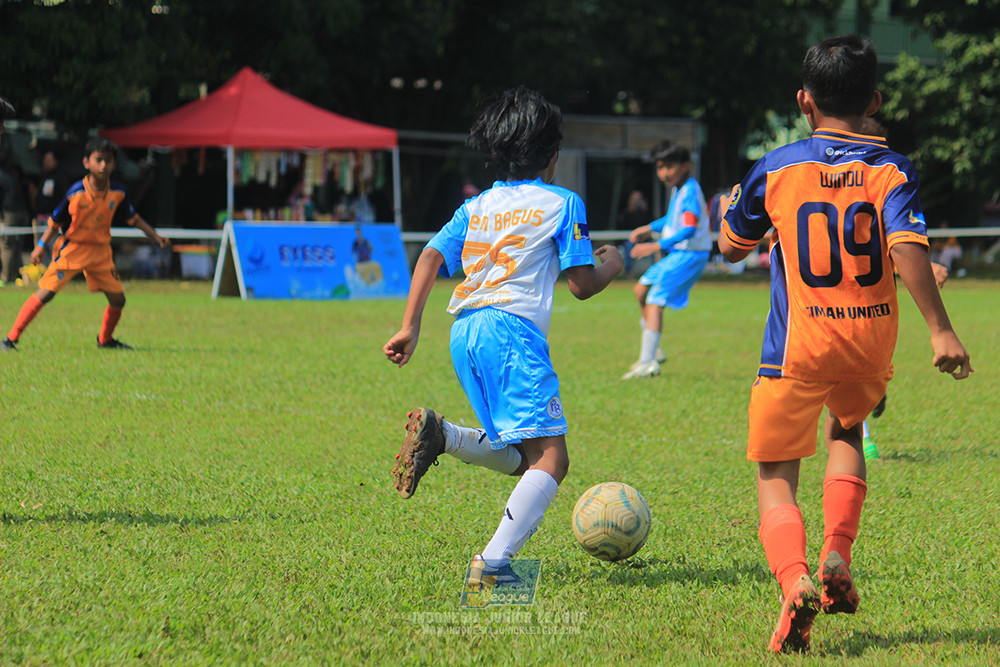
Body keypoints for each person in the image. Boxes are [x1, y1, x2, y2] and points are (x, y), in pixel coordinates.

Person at [717, 35, 972, 654]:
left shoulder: (777, 167)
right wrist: (940, 328)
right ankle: (837, 554)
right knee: (847, 432)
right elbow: (907, 246)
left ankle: (795, 579)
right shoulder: (892, 169)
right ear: (875, 99)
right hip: (868, 341)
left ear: (804, 101)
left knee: (777, 473)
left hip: (796, 345)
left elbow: (730, 246)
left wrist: (747, 219)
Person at [382, 86, 623, 587]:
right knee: (553, 459)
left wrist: (410, 325)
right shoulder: (563, 201)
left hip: (464, 330)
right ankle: (492, 567)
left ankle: (442, 435)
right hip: (512, 332)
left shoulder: (477, 205)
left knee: (518, 457)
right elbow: (580, 285)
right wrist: (613, 266)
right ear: (553, 156)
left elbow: (429, 255)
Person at [1, 136, 171, 351]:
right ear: (86, 163)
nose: (103, 165)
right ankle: (10, 339)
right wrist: (41, 246)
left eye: (108, 160)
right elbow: (55, 222)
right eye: (98, 159)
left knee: (118, 299)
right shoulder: (76, 192)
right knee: (46, 293)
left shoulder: (118, 192)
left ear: (114, 164)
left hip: (100, 252)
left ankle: (105, 340)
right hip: (72, 249)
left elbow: (133, 218)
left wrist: (155, 236)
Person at [622, 140, 712, 378]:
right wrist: (649, 228)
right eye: (660, 167)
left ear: (685, 165)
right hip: (680, 252)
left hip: (690, 254)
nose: (664, 173)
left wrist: (656, 244)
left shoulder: (690, 190)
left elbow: (689, 229)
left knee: (654, 299)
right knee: (640, 290)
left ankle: (647, 361)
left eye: (669, 166)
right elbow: (673, 221)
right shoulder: (680, 190)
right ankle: (654, 350)